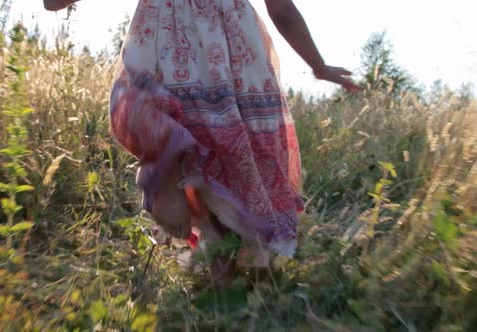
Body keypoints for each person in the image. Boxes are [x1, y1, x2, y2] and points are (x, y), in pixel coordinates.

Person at [44, 0, 359, 285]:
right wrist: (318, 65)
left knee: (192, 149)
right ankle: (231, 280)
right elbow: (282, 10)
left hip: (170, 44)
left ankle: (224, 277)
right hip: (229, 46)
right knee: (229, 161)